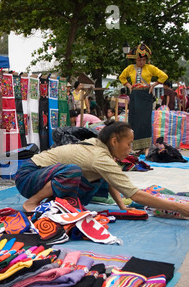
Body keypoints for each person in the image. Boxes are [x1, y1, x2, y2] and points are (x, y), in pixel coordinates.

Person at [15, 121, 189, 217]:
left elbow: (111, 179)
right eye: (128, 144)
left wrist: (122, 206)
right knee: (73, 171)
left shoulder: (100, 149)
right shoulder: (100, 156)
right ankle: (32, 202)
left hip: (40, 177)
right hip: (28, 175)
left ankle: (56, 204)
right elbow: (134, 194)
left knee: (97, 179)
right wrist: (178, 207)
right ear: (114, 142)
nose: (130, 149)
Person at [118, 43, 168, 153]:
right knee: (134, 120)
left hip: (146, 95)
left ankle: (145, 147)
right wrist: (129, 86)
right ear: (136, 59)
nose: (142, 62)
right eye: (140, 60)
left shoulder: (150, 68)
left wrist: (154, 85)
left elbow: (164, 76)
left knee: (144, 121)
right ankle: (134, 146)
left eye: (144, 60)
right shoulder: (130, 68)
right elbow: (121, 77)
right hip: (135, 95)